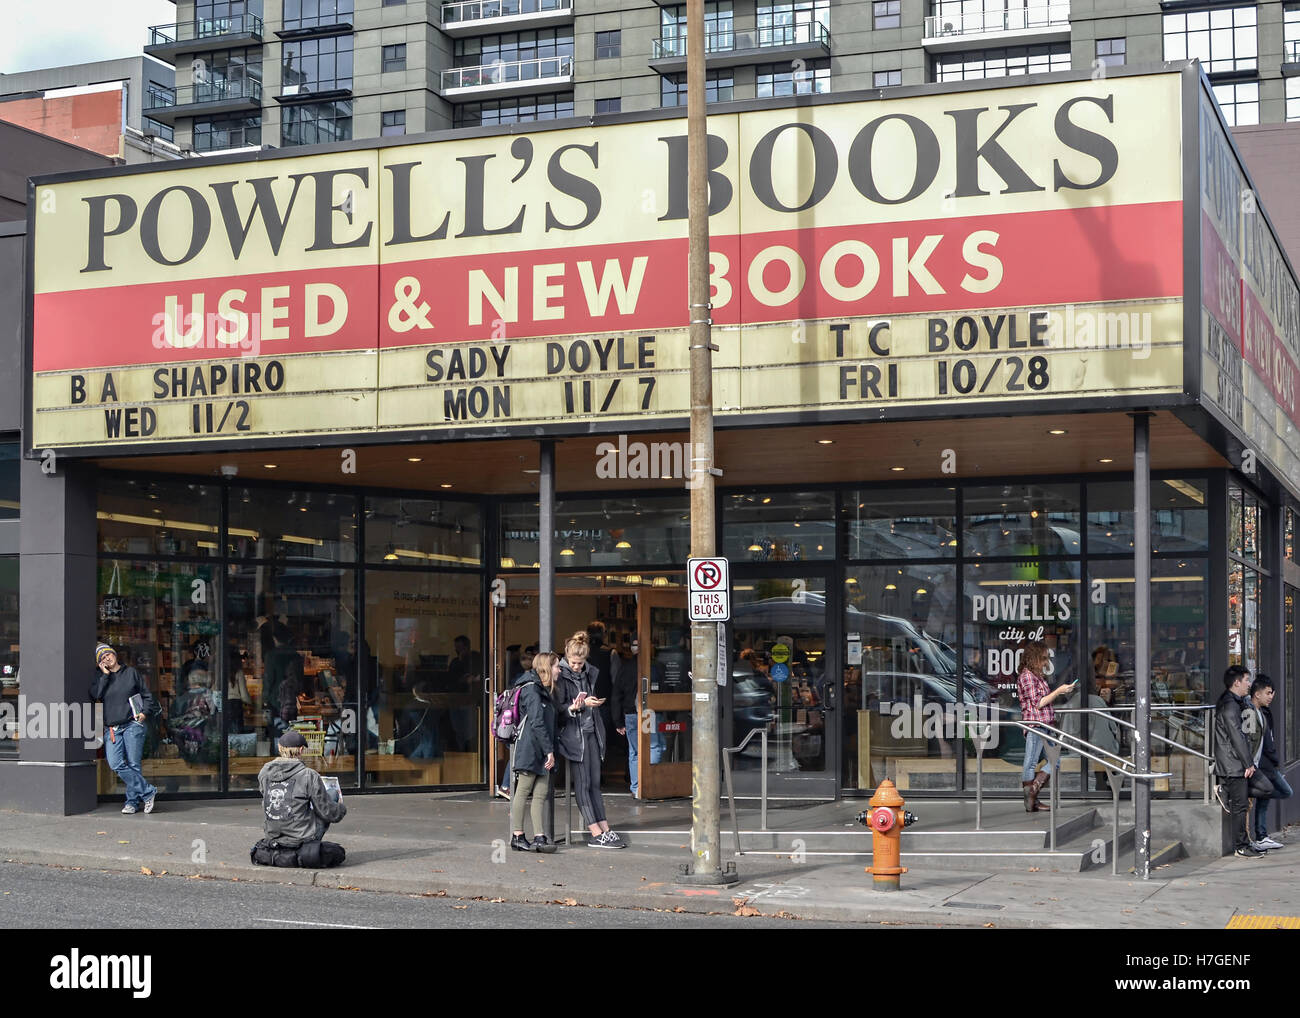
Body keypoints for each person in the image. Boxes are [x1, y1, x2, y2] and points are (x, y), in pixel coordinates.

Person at [554, 631, 625, 847]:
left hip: (592, 730)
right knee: (583, 784)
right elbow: (559, 708)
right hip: (575, 734)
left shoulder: (589, 673)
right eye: (574, 662)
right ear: (567, 656)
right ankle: (594, 831)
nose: (576, 667)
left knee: (595, 783)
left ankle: (604, 826)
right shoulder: (561, 675)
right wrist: (580, 705)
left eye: (580, 662)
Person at [254, 730, 347, 868]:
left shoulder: (264, 772)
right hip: (302, 837)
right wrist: (341, 809)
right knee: (332, 794)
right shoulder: (308, 775)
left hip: (273, 836)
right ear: (301, 750)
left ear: (279, 748)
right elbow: (327, 812)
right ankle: (307, 847)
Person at [88, 642, 160, 815]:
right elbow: (96, 695)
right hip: (112, 729)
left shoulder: (131, 673)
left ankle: (132, 803)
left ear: (114, 654)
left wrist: (143, 714)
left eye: (109, 654)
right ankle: (148, 791)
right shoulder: (100, 677)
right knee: (115, 763)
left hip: (132, 725)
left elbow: (147, 696)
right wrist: (105, 675)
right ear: (100, 662)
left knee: (134, 765)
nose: (107, 658)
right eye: (103, 657)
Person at [1016, 640, 1077, 813]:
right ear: (1033, 658)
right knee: (1031, 762)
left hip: (1045, 725)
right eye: (1043, 658)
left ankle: (1032, 795)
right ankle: (1032, 797)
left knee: (1054, 761)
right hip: (1036, 725)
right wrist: (1058, 691)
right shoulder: (1027, 676)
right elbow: (1038, 703)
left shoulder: (1036, 676)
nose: (1045, 662)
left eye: (1046, 658)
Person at [509, 651, 560, 853]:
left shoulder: (542, 690)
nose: (559, 670)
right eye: (556, 666)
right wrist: (550, 751)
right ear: (547, 667)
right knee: (524, 790)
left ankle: (539, 835)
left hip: (541, 747)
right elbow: (537, 722)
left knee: (540, 794)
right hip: (531, 748)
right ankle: (518, 835)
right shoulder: (531, 689)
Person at [1215, 665, 1264, 859]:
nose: (1249, 684)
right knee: (1241, 806)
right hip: (1233, 763)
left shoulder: (1237, 702)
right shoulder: (1229, 704)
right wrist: (1248, 763)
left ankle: (1225, 790)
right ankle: (1241, 846)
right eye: (1246, 680)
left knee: (1266, 789)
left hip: (1236, 762)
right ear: (1236, 682)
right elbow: (1236, 735)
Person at [1249, 675, 1289, 851]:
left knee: (1270, 795)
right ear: (1257, 694)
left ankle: (1261, 835)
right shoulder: (1250, 712)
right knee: (1284, 791)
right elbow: (1252, 741)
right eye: (1268, 693)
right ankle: (1261, 835)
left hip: (1267, 763)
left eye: (1272, 693)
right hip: (1261, 764)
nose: (1271, 696)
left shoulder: (1263, 711)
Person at [611, 632, 641, 797]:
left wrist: (617, 721)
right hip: (649, 714)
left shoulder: (625, 667)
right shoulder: (652, 666)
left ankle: (636, 787)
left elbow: (616, 695)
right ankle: (651, 785)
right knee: (654, 747)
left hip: (630, 714)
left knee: (634, 751)